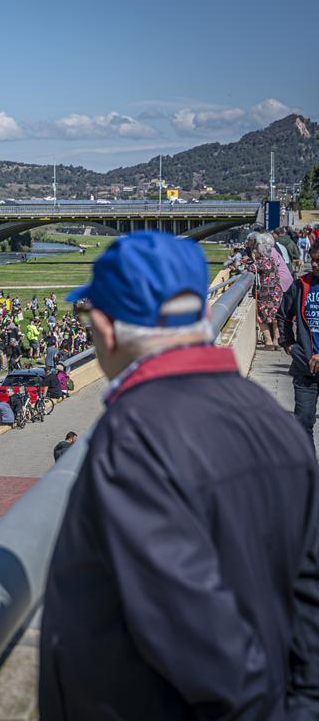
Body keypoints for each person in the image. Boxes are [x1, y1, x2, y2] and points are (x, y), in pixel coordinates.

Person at [41, 231, 319, 720]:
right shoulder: (273, 421)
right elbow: (308, 599)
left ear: (105, 326)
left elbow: (201, 639)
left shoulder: (132, 438)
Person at [278, 246, 319, 439]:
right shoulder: (300, 285)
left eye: (318, 260)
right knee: (302, 425)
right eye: (312, 259)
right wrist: (288, 344)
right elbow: (283, 315)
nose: (314, 264)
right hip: (305, 370)